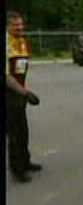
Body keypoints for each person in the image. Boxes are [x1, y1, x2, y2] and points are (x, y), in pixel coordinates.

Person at [6, 11, 42, 183]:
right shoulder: (6, 43)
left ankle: (25, 162)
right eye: (15, 25)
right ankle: (17, 170)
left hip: (19, 92)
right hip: (9, 92)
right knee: (14, 133)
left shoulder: (21, 41)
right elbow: (7, 77)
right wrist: (26, 93)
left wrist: (23, 91)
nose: (19, 27)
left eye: (21, 24)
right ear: (8, 26)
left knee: (23, 130)